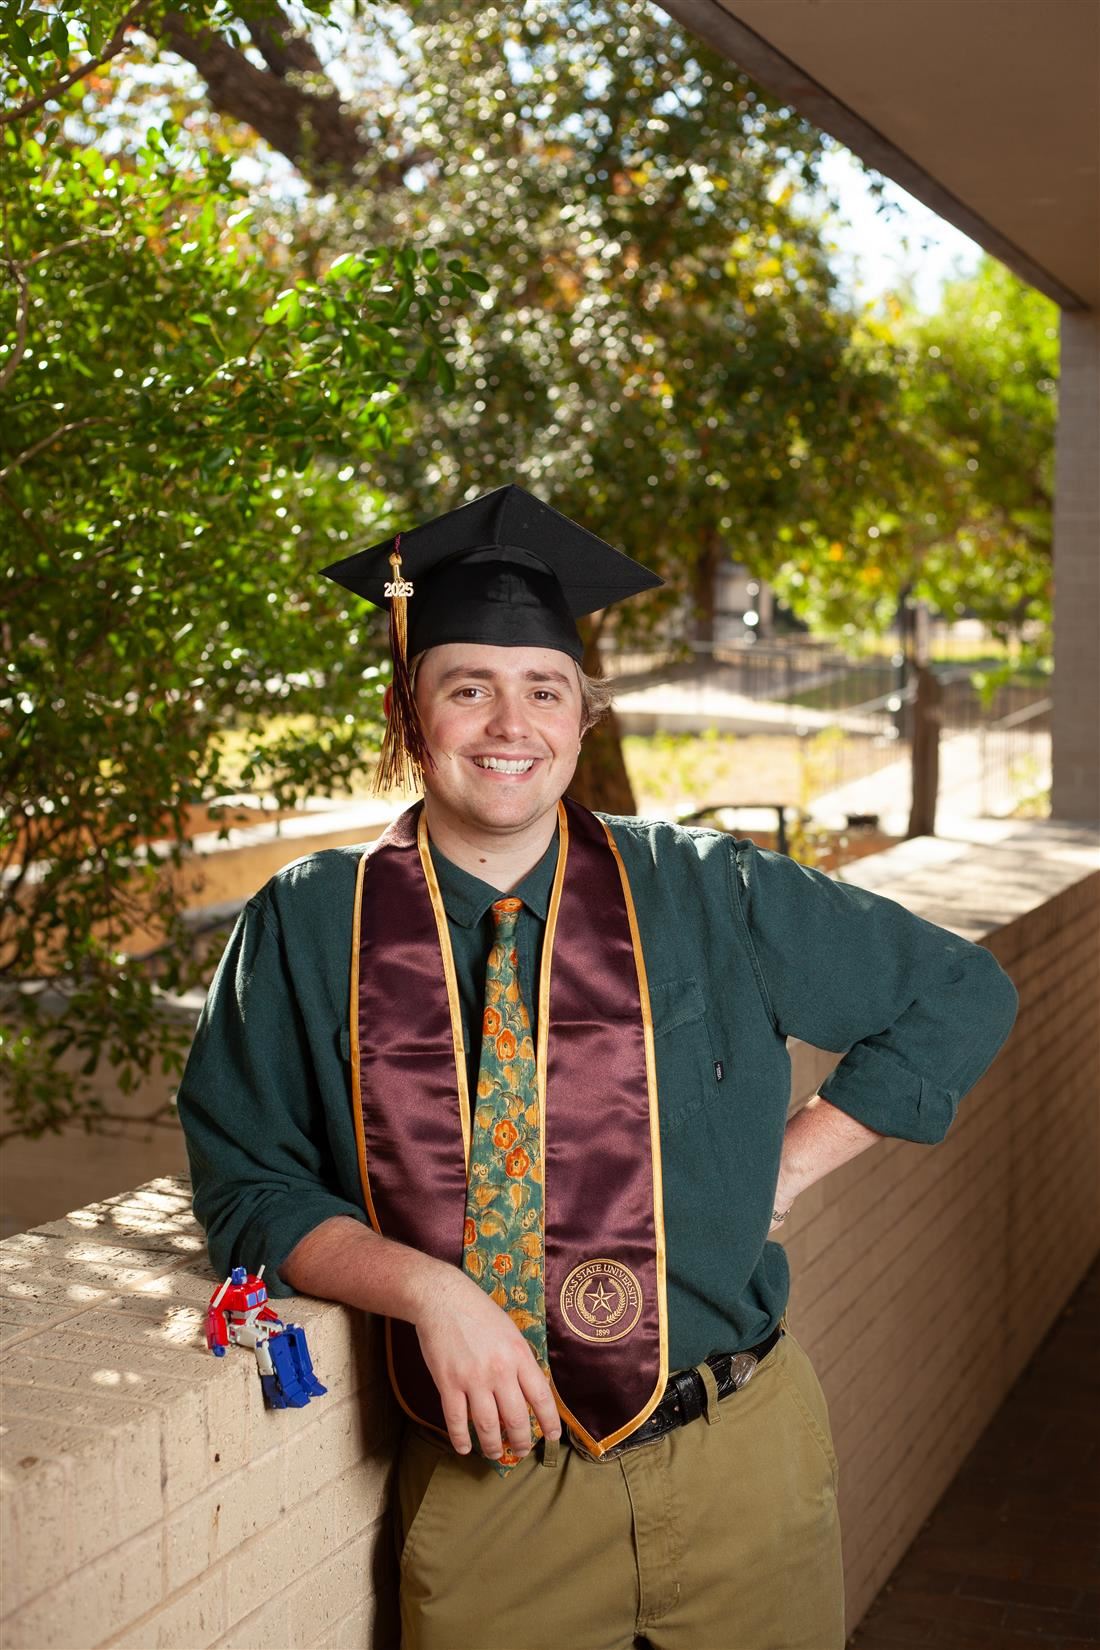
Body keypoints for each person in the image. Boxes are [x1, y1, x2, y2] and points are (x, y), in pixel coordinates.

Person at [177, 483, 1019, 1650]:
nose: (508, 724)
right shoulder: (310, 924)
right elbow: (248, 1183)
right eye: (466, 687)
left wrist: (781, 1169)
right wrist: (428, 1291)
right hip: (494, 1500)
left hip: (738, 1466)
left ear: (583, 715)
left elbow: (956, 994)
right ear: (409, 712)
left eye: (543, 689)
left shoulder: (704, 887)